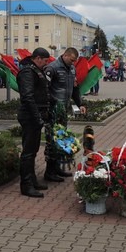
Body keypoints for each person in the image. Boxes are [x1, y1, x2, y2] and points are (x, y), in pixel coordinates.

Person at [44, 47, 86, 182]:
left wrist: (81, 104)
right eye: (72, 60)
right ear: (65, 55)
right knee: (52, 140)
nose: (73, 63)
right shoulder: (52, 68)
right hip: (53, 110)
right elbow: (45, 89)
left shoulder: (71, 69)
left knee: (61, 139)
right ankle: (49, 172)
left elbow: (75, 89)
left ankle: (57, 168)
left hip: (63, 110)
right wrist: (50, 105)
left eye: (75, 61)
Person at [16, 47, 52, 198]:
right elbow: (28, 97)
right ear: (37, 58)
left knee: (33, 150)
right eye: (44, 61)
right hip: (30, 116)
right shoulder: (27, 72)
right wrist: (37, 117)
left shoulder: (35, 71)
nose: (45, 64)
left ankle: (32, 180)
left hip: (36, 115)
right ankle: (26, 185)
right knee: (28, 153)